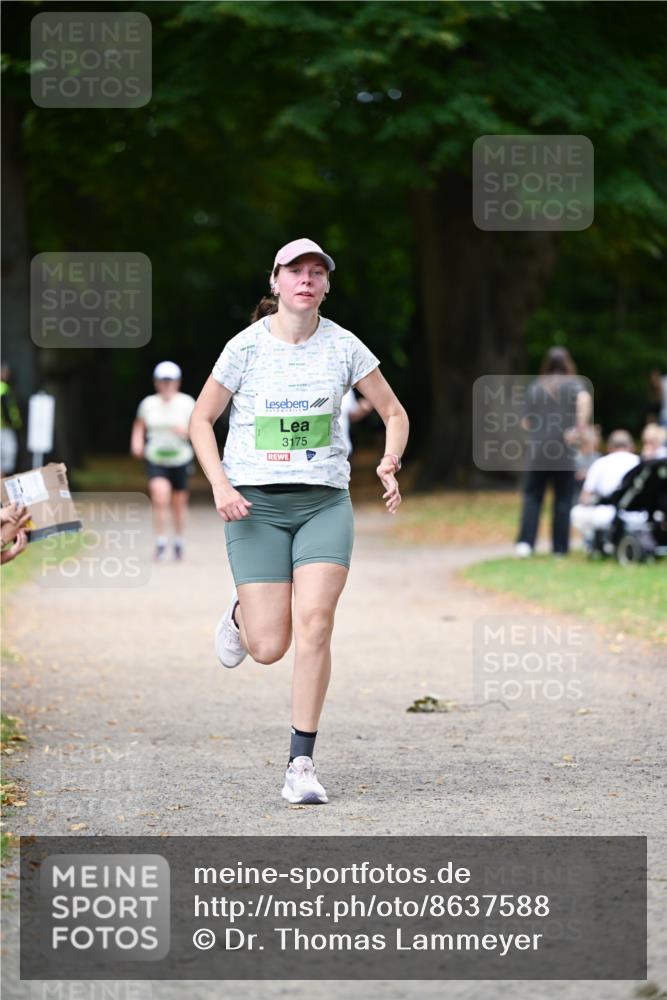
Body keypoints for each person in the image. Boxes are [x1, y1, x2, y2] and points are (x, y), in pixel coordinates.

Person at [189, 237, 409, 805]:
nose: (306, 280)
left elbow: (392, 411)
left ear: (326, 286)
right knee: (268, 646)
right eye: (295, 271)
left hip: (323, 504)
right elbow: (201, 419)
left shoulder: (345, 347)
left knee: (316, 622)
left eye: (317, 273)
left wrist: (389, 459)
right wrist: (219, 484)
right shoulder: (244, 349)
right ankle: (241, 617)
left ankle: (301, 763)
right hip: (254, 507)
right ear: (276, 282)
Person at [515, 346, 592, 557]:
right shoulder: (575, 384)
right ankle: (559, 548)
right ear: (567, 363)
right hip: (564, 451)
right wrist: (579, 429)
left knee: (532, 497)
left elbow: (526, 422)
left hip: (538, 451)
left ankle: (525, 544)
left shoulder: (535, 387)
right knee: (563, 499)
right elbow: (584, 401)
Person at [130, 361, 196, 560]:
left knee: (178, 503)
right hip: (156, 457)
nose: (166, 385)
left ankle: (178, 540)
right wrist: (137, 442)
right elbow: (139, 425)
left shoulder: (187, 403)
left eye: (170, 381)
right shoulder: (149, 403)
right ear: (157, 383)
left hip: (180, 458)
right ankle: (160, 540)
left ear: (177, 382)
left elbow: (198, 429)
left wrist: (185, 431)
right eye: (162, 381)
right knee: (160, 496)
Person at [570, 429, 640, 548]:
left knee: (576, 512)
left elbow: (585, 497)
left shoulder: (600, 463)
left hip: (606, 514)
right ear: (631, 446)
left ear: (609, 447)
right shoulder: (639, 462)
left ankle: (594, 541)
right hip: (638, 515)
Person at [0, 364, 23, 476]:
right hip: (4, 428)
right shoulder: (3, 388)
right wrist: (14, 424)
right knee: (7, 456)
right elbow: (7, 409)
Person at [339, 387, 373, 457]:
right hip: (318, 451)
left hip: (343, 451)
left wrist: (363, 409)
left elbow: (351, 416)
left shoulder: (346, 388)